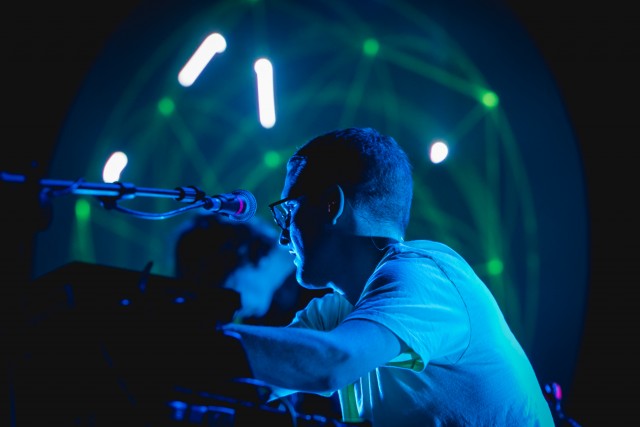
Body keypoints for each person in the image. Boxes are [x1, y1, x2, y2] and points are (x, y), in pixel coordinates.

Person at [221, 127, 555, 426]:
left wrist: (193, 338)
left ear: (330, 206)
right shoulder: (335, 314)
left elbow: (333, 361)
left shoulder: (424, 273)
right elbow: (255, 375)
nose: (283, 237)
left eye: (290, 211)